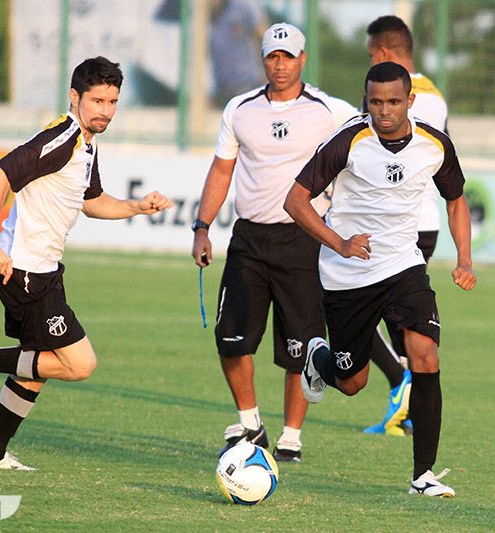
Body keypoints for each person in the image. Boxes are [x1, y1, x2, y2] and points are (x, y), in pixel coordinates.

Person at [0, 56, 173, 470]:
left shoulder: (85, 143)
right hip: (23, 271)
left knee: (36, 366)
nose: (105, 110)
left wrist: (137, 206)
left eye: (112, 101)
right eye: (97, 100)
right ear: (74, 96)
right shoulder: (61, 138)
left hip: (45, 270)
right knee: (79, 364)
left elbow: (91, 201)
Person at [284, 62, 476, 496]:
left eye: (393, 102)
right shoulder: (348, 141)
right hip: (347, 275)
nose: (384, 111)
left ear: (410, 100)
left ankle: (423, 475)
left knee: (424, 355)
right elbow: (295, 201)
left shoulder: (434, 144)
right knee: (353, 384)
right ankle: (321, 360)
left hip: (403, 267)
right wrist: (338, 242)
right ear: (365, 100)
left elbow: (457, 199)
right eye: (375, 102)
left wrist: (464, 258)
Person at [192, 23, 358, 463]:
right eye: (271, 56)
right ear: (262, 59)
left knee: (301, 348)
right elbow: (222, 170)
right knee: (231, 339)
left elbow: (364, 148)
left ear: (303, 59)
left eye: (288, 56)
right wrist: (202, 226)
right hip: (249, 239)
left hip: (304, 240)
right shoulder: (239, 109)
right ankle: (250, 424)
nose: (279, 64)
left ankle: (291, 439)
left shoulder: (330, 111)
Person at [362, 15, 451, 436]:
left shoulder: (417, 100)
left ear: (382, 53)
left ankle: (403, 385)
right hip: (412, 223)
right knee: (395, 318)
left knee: (358, 306)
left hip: (406, 224)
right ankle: (411, 402)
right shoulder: (430, 93)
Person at [209, 0, 268, 108]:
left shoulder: (242, 7)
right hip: (221, 93)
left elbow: (266, 39)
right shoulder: (199, 15)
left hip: (249, 87)